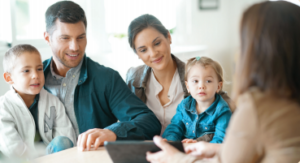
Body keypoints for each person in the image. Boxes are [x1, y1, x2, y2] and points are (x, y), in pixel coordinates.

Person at [146, 1, 300, 163]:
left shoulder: (257, 108)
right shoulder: (289, 103)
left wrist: (175, 158)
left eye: (243, 42)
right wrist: (213, 148)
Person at [43, 1, 161, 151]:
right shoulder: (32, 79)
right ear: (47, 38)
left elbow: (149, 122)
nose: (75, 47)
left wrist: (113, 132)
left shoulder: (107, 78)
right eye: (65, 38)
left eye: (80, 37)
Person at [0, 44, 75, 159]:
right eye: (26, 71)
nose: (35, 75)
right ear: (9, 78)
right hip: (23, 160)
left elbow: (66, 136)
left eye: (39, 69)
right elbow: (11, 147)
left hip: (52, 157)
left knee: (62, 142)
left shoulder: (53, 101)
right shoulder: (3, 107)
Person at [126, 14, 189, 135]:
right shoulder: (133, 78)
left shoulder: (195, 75)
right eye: (143, 50)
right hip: (147, 152)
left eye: (157, 43)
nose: (153, 53)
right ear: (137, 54)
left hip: (187, 150)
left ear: (169, 37)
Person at [162, 57, 232, 143]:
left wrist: (198, 146)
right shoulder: (184, 105)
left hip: (208, 152)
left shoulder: (222, 111)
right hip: (184, 149)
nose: (201, 86)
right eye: (195, 81)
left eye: (208, 81)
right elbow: (174, 127)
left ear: (218, 86)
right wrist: (170, 142)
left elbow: (221, 139)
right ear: (188, 87)